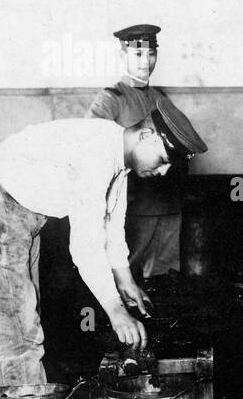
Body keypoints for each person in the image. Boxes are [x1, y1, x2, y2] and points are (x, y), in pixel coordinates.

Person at [0, 107, 204, 389]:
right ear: (146, 136)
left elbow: (111, 224)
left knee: (14, 332)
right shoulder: (96, 155)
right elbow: (85, 247)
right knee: (21, 338)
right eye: (164, 160)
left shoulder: (115, 150)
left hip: (20, 217)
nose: (164, 171)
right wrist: (116, 311)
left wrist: (125, 281)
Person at [87, 24, 207, 279]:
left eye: (151, 53)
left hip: (169, 205)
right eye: (138, 54)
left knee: (166, 278)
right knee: (124, 275)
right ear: (123, 55)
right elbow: (91, 150)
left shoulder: (159, 97)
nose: (146, 61)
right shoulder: (111, 99)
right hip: (133, 208)